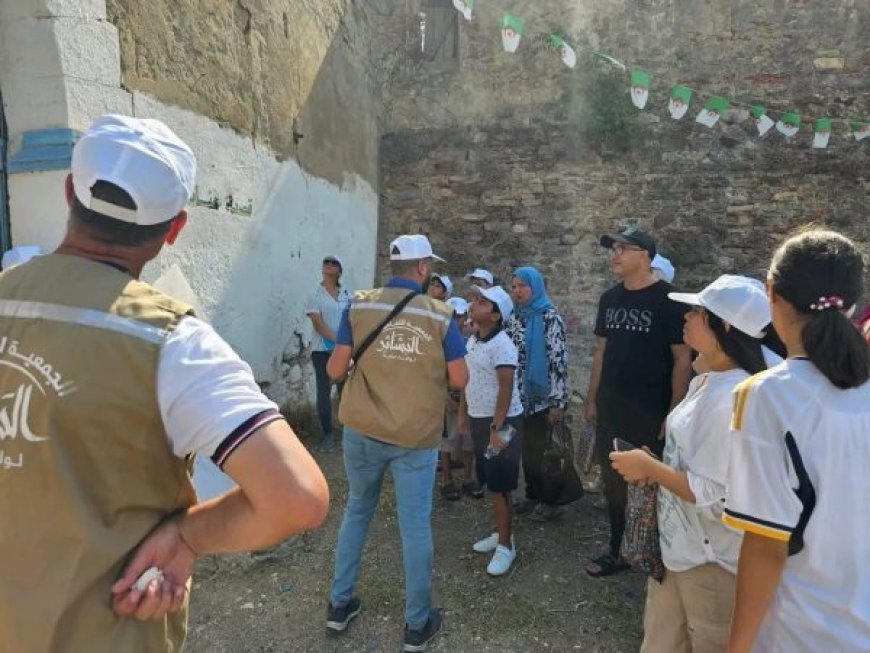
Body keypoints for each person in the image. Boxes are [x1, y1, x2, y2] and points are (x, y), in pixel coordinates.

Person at [0, 114, 329, 653]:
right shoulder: (172, 342)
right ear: (175, 230)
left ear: (68, 192)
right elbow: (296, 498)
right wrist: (186, 535)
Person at [723, 229, 870, 653]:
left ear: (771, 293)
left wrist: (737, 648)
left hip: (802, 632)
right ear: (853, 303)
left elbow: (766, 544)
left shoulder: (767, 395)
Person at [609, 275, 771, 652]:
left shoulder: (733, 395)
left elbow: (718, 496)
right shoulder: (710, 378)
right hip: (680, 553)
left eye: (697, 312)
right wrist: (657, 466)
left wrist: (651, 470)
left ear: (725, 326)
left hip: (710, 563)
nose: (686, 317)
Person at [325, 234, 468, 652]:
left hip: (362, 429)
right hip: (414, 436)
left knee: (356, 509)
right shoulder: (440, 315)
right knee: (415, 525)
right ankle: (416, 625)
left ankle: (339, 604)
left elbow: (335, 369)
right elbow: (459, 379)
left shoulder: (360, 302)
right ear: (423, 269)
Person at [585, 227, 693, 577]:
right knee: (614, 481)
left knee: (652, 483)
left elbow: (682, 359)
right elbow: (602, 352)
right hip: (612, 406)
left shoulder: (670, 300)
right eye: (612, 248)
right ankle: (617, 549)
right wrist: (592, 398)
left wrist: (674, 412)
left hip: (651, 409)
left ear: (645, 255)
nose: (614, 255)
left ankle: (658, 556)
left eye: (623, 249)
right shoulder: (610, 299)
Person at [460, 285, 525, 575]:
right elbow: (467, 379)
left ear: (496, 315)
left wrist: (497, 428)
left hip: (502, 423)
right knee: (490, 480)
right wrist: (464, 414)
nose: (474, 303)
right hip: (479, 419)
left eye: (483, 302)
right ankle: (501, 533)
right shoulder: (474, 340)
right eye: (475, 299)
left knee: (501, 485)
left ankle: (506, 546)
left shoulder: (503, 345)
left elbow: (506, 387)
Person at [505, 266, 569, 522]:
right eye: (514, 287)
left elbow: (558, 361)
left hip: (542, 398)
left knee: (545, 451)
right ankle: (533, 495)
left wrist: (558, 401)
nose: (517, 291)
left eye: (523, 286)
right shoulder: (514, 317)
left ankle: (551, 501)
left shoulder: (549, 317)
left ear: (536, 288)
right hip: (518, 397)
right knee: (527, 451)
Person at [306, 255, 352, 452]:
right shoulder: (315, 295)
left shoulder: (348, 295)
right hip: (322, 351)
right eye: (326, 262)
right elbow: (319, 326)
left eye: (334, 263)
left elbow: (352, 321)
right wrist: (341, 340)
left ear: (340, 270)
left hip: (343, 351)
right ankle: (328, 434)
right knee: (324, 392)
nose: (329, 265)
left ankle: (349, 432)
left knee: (346, 391)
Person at [440, 296, 481, 500]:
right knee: (447, 441)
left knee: (468, 442)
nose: (457, 320)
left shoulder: (472, 342)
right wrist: (445, 397)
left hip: (468, 398)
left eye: (461, 316)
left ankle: (467, 477)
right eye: (453, 316)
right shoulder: (439, 343)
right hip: (449, 398)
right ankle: (447, 479)